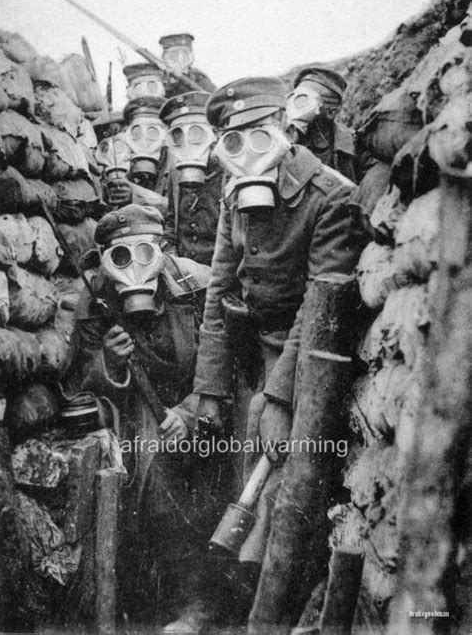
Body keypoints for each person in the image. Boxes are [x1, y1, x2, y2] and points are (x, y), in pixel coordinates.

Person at [192, 76, 362, 601]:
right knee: (233, 469)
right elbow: (220, 289)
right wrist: (208, 389)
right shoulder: (231, 196)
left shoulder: (332, 195)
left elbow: (320, 304)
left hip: (308, 359)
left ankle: (262, 606)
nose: (248, 154)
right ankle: (222, 598)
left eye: (260, 136)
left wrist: (280, 397)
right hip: (251, 352)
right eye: (232, 142)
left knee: (279, 489)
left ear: (287, 131)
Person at [68, 204, 221, 631]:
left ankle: (197, 604)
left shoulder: (197, 284)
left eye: (145, 252)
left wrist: (191, 412)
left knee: (181, 483)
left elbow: (226, 358)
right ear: (103, 262)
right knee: (145, 479)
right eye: (119, 256)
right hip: (135, 411)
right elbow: (81, 376)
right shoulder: (95, 298)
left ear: (163, 250)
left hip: (204, 402)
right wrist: (111, 363)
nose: (133, 266)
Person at [160, 91, 224, 266]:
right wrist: (174, 260)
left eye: (197, 132)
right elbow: (172, 224)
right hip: (185, 270)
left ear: (215, 135)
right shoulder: (176, 172)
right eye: (178, 135)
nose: (188, 141)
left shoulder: (231, 172)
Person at [286, 65, 359, 182]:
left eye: (306, 101)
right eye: (295, 98)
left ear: (331, 112)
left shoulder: (354, 145)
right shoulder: (280, 142)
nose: (297, 107)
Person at [103, 96, 172, 214]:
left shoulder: (178, 167)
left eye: (152, 132)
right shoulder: (127, 166)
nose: (143, 139)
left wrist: (135, 195)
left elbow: (183, 212)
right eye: (136, 131)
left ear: (166, 134)